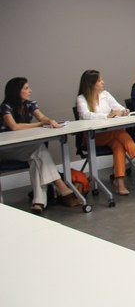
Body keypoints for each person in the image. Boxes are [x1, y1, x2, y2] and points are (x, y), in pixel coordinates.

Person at [1, 77, 82, 214]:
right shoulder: (5, 107)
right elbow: (14, 127)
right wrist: (39, 124)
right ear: (16, 91)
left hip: (24, 149)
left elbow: (42, 117)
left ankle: (38, 202)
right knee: (39, 150)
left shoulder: (30, 104)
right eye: (26, 88)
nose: (30, 91)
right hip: (6, 149)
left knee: (36, 159)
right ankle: (61, 186)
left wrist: (48, 120)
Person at [76, 70, 135, 195]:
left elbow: (118, 107)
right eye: (99, 80)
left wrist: (124, 111)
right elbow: (86, 115)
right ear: (91, 84)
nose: (102, 82)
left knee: (119, 145)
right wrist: (107, 116)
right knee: (119, 133)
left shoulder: (106, 94)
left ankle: (120, 183)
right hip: (92, 137)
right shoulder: (81, 99)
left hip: (110, 134)